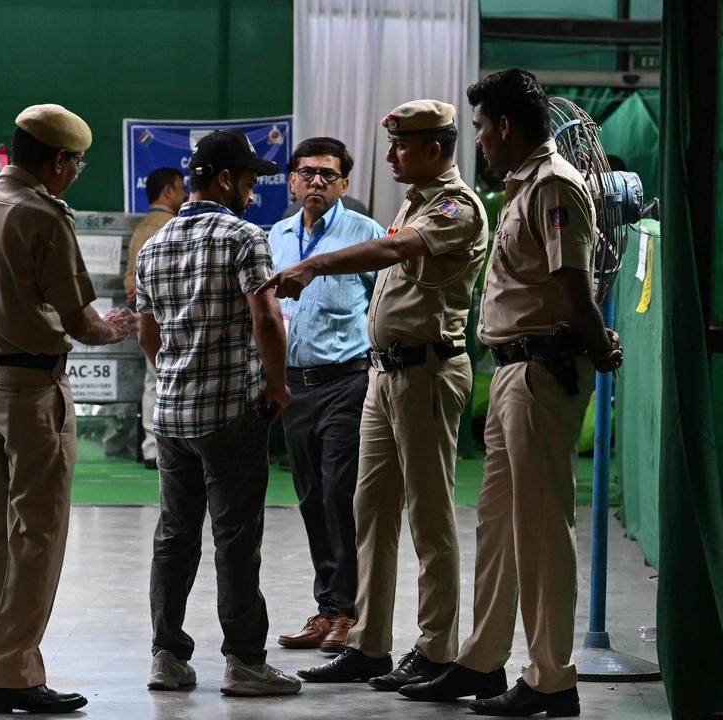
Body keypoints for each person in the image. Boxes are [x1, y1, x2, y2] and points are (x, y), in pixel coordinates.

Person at [398, 69, 623, 716]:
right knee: (498, 526)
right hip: (512, 371)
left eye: (480, 129)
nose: (479, 143)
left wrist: (601, 346)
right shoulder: (525, 186)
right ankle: (483, 660)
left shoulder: (553, 186)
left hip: (541, 371)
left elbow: (573, 284)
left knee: (542, 532)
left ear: (504, 126)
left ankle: (553, 678)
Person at [260, 100, 487, 692]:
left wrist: (315, 266)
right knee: (368, 513)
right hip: (384, 376)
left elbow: (390, 253)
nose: (390, 157)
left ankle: (438, 649)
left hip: (425, 373)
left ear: (435, 148)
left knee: (430, 518)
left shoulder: (456, 206)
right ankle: (369, 644)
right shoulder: (413, 200)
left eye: (401, 147)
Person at [0, 103, 133, 715]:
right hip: (29, 388)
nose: (76, 173)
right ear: (59, 160)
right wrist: (115, 328)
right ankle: (14, 674)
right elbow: (81, 320)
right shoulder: (43, 215)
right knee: (37, 532)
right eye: (77, 162)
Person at [135, 129, 300, 697]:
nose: (253, 194)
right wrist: (276, 384)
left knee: (174, 536)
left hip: (172, 415)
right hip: (231, 411)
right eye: (250, 182)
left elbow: (147, 331)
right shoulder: (245, 236)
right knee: (235, 538)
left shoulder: (154, 245)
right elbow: (266, 317)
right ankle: (246, 663)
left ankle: (167, 657)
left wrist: (174, 373)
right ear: (225, 181)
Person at [268, 137, 384, 653]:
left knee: (341, 492)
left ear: (343, 184)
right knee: (312, 498)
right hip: (296, 386)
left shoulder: (367, 234)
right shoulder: (276, 235)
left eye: (327, 175)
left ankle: (346, 612)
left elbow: (388, 303)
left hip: (348, 382)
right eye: (307, 173)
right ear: (292, 180)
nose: (316, 182)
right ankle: (327, 607)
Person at [123, 167, 186, 470]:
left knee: (153, 380)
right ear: (168, 191)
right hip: (169, 314)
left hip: (144, 311)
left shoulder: (141, 228)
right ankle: (166, 445)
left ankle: (152, 447)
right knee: (169, 380)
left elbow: (130, 279)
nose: (185, 194)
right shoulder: (172, 226)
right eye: (181, 187)